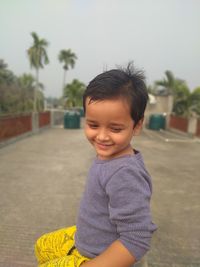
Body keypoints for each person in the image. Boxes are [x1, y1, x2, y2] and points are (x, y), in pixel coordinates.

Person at [35, 62, 157, 267]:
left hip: (96, 257)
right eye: (93, 125)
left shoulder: (124, 173)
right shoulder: (110, 157)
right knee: (42, 245)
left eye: (115, 129)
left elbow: (136, 238)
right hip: (87, 239)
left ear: (137, 125)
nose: (101, 137)